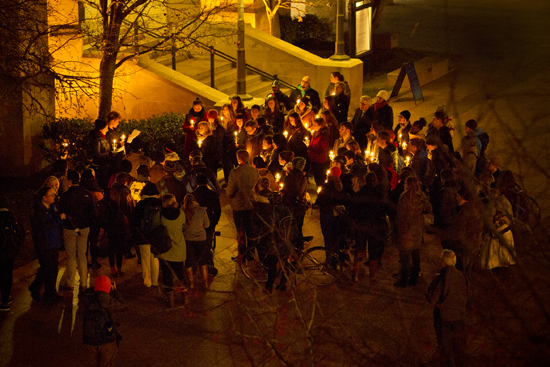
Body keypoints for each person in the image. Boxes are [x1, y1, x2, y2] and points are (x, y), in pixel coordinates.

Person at [427, 249, 468, 367]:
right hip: (459, 316)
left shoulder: (441, 278)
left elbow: (432, 299)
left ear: (443, 262)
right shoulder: (461, 276)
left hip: (444, 317)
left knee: (444, 346)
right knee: (458, 345)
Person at [350, 172, 393, 282]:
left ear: (365, 181)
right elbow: (387, 210)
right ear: (376, 182)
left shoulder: (360, 194)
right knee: (374, 252)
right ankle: (373, 276)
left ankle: (355, 274)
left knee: (360, 249)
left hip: (362, 226)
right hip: (376, 227)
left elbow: (353, 211)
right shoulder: (380, 196)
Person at [59, 170, 95, 291]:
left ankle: (70, 283)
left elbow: (61, 213)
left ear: (69, 181)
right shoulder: (87, 194)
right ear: (78, 180)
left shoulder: (65, 196)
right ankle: (84, 283)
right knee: (82, 255)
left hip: (70, 228)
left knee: (71, 257)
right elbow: (92, 212)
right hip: (84, 228)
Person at [394, 176, 433, 287]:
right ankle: (414, 278)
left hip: (406, 230)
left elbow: (400, 215)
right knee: (415, 253)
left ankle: (404, 280)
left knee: (405, 256)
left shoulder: (404, 197)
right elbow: (429, 208)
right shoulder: (421, 196)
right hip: (417, 229)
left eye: (405, 182)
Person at [81, 275, 127, 367]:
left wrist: (93, 289)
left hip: (90, 340)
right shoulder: (110, 302)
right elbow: (124, 304)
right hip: (106, 341)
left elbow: (81, 295)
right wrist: (115, 291)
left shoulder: (87, 299)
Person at [29, 187, 64, 303]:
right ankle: (39, 288)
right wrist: (59, 219)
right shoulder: (38, 209)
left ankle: (50, 292)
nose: (54, 196)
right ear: (44, 197)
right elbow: (44, 226)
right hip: (44, 243)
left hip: (54, 242)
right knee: (46, 268)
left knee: (53, 268)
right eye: (52, 195)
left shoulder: (52, 206)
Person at [227, 150, 259, 261]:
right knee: (250, 228)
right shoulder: (254, 170)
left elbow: (230, 190)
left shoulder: (235, 172)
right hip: (250, 203)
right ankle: (251, 253)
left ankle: (241, 254)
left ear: (239, 158)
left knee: (240, 231)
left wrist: (229, 196)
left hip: (238, 204)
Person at [99, 180, 134, 278]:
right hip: (120, 229)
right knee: (119, 250)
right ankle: (119, 270)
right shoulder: (122, 202)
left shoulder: (107, 203)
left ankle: (113, 270)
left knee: (111, 249)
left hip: (111, 229)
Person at [316, 167, 349, 270]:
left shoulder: (326, 187)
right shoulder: (341, 187)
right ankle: (335, 262)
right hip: (338, 216)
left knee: (328, 239)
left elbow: (320, 201)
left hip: (327, 215)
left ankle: (329, 262)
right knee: (336, 239)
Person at [158, 194, 187, 307]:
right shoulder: (181, 213)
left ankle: (170, 302)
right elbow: (183, 226)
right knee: (180, 275)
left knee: (167, 276)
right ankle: (184, 299)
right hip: (179, 248)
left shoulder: (161, 215)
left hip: (165, 249)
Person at [131, 183, 161, 288]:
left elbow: (134, 221)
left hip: (143, 236)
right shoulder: (160, 203)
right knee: (155, 258)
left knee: (145, 258)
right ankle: (155, 280)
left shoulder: (140, 204)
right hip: (157, 236)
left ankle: (147, 280)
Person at [192, 173, 222, 277]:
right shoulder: (213, 194)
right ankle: (209, 265)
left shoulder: (193, 195)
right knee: (207, 245)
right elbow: (218, 211)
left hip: (195, 224)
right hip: (209, 224)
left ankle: (196, 267)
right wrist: (214, 223)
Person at [0, 197, 24, 311]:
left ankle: (4, 302)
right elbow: (21, 233)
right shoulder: (12, 217)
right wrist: (16, 247)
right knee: (7, 274)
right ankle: (6, 298)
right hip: (11, 251)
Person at [182, 194, 210, 289]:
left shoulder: (182, 211)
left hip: (187, 239)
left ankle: (191, 284)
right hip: (201, 239)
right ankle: (205, 283)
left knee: (188, 262)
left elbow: (181, 226)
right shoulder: (201, 210)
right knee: (202, 261)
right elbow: (207, 225)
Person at [281, 157, 309, 238]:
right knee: (298, 226)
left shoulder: (289, 176)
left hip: (289, 204)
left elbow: (286, 190)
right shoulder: (303, 178)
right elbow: (301, 192)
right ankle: (298, 244)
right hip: (299, 205)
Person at [308, 117, 331, 187]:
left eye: (315, 125)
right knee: (316, 178)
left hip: (320, 161)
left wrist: (311, 148)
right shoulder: (315, 133)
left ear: (320, 126)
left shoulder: (324, 136)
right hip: (314, 159)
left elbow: (323, 149)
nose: (313, 126)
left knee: (320, 179)